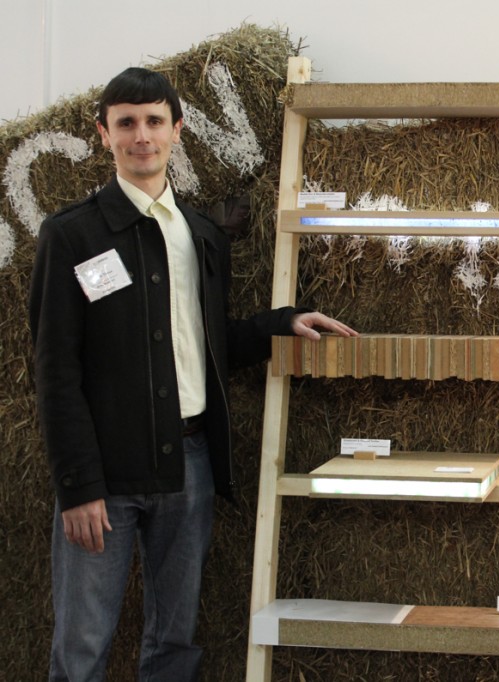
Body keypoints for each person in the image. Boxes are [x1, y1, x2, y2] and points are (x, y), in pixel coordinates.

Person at [28, 66, 357, 682]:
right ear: (104, 135)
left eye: (154, 121)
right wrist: (77, 485)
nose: (141, 136)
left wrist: (279, 323)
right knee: (82, 649)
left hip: (190, 465)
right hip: (107, 474)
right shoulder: (71, 235)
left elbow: (206, 345)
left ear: (177, 130)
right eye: (126, 124)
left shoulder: (201, 235)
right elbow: (54, 370)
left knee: (175, 641)